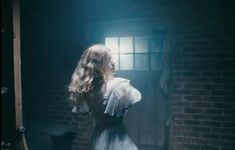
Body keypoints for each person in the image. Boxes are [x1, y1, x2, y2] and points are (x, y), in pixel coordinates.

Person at [68, 44, 141, 150]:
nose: (113, 62)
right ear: (98, 64)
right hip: (116, 138)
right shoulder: (118, 86)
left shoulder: (86, 89)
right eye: (109, 59)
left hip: (98, 136)